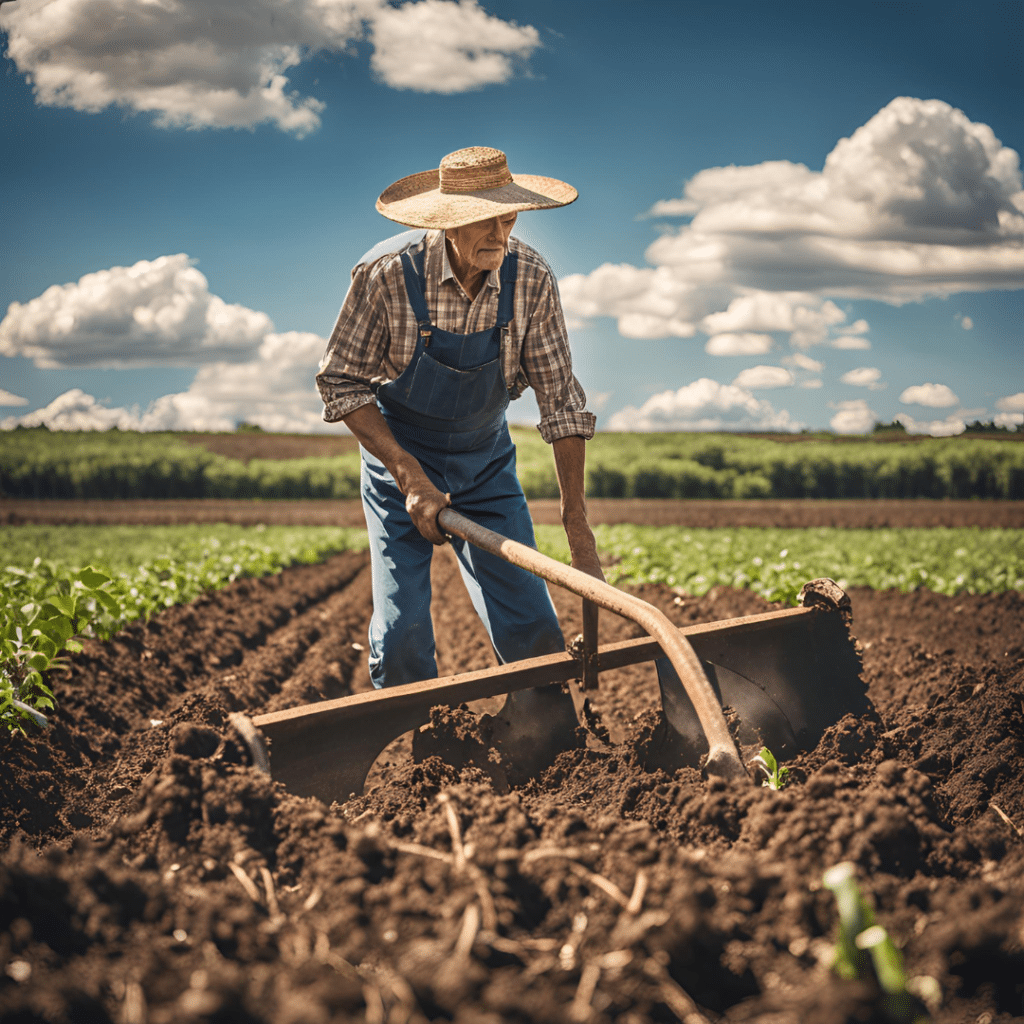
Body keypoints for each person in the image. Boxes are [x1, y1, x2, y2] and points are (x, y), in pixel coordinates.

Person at [316, 146, 602, 774]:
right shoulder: (386, 274)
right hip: (401, 474)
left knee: (534, 629)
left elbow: (560, 400)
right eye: (485, 220)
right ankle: (416, 767)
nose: (501, 234)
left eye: (510, 219)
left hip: (485, 466)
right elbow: (341, 383)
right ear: (445, 219)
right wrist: (407, 472)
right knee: (401, 637)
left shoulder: (531, 279)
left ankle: (547, 760)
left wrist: (576, 521)